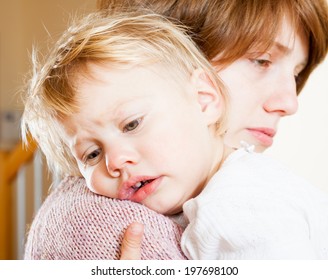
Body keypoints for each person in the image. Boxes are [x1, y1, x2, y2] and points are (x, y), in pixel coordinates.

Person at [23, 0, 328, 259]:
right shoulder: (97, 220)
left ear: (204, 98)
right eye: (261, 61)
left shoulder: (240, 205)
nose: (290, 102)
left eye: (297, 73)